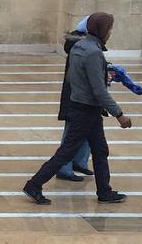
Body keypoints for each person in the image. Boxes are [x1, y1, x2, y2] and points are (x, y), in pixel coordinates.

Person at [23, 12, 132, 205]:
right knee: (66, 152)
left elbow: (75, 78)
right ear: (101, 30)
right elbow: (99, 91)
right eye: (109, 29)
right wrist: (119, 114)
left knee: (100, 150)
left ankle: (104, 191)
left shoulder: (79, 46)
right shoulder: (93, 53)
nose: (110, 33)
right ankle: (34, 184)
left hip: (82, 106)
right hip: (86, 110)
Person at [55, 16, 93, 182]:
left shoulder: (83, 47)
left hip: (85, 98)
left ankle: (79, 162)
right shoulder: (83, 48)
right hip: (79, 99)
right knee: (72, 134)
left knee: (89, 130)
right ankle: (64, 168)